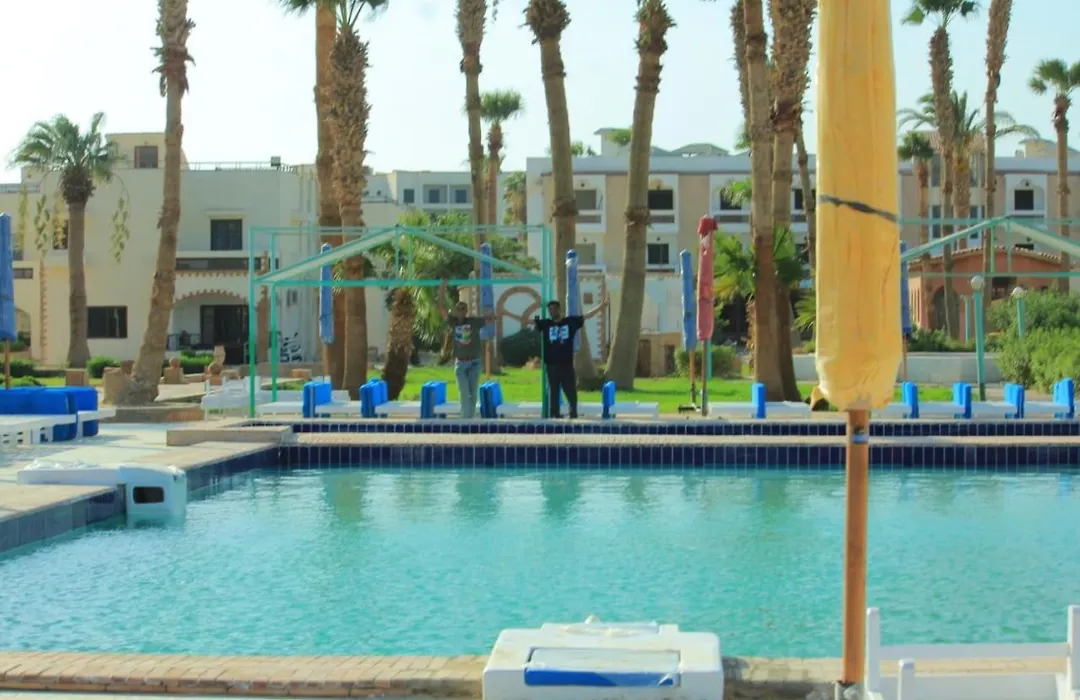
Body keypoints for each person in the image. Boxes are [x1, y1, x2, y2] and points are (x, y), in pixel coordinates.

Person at [439, 280, 494, 419]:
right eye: (458, 308)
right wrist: (443, 287)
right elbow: (440, 307)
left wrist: (488, 312)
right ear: (455, 311)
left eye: (463, 308)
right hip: (461, 363)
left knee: (473, 394)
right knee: (464, 393)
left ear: (467, 311)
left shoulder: (474, 322)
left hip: (474, 362)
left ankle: (470, 420)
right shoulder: (453, 322)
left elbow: (491, 318)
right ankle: (465, 421)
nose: (461, 311)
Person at [533, 300, 586, 419]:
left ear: (559, 309)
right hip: (551, 364)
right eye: (550, 310)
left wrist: (601, 306)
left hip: (566, 364)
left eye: (553, 309)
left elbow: (584, 317)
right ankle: (555, 414)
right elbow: (528, 321)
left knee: (570, 390)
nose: (551, 312)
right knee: (554, 390)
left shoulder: (569, 322)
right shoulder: (546, 324)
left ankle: (573, 413)